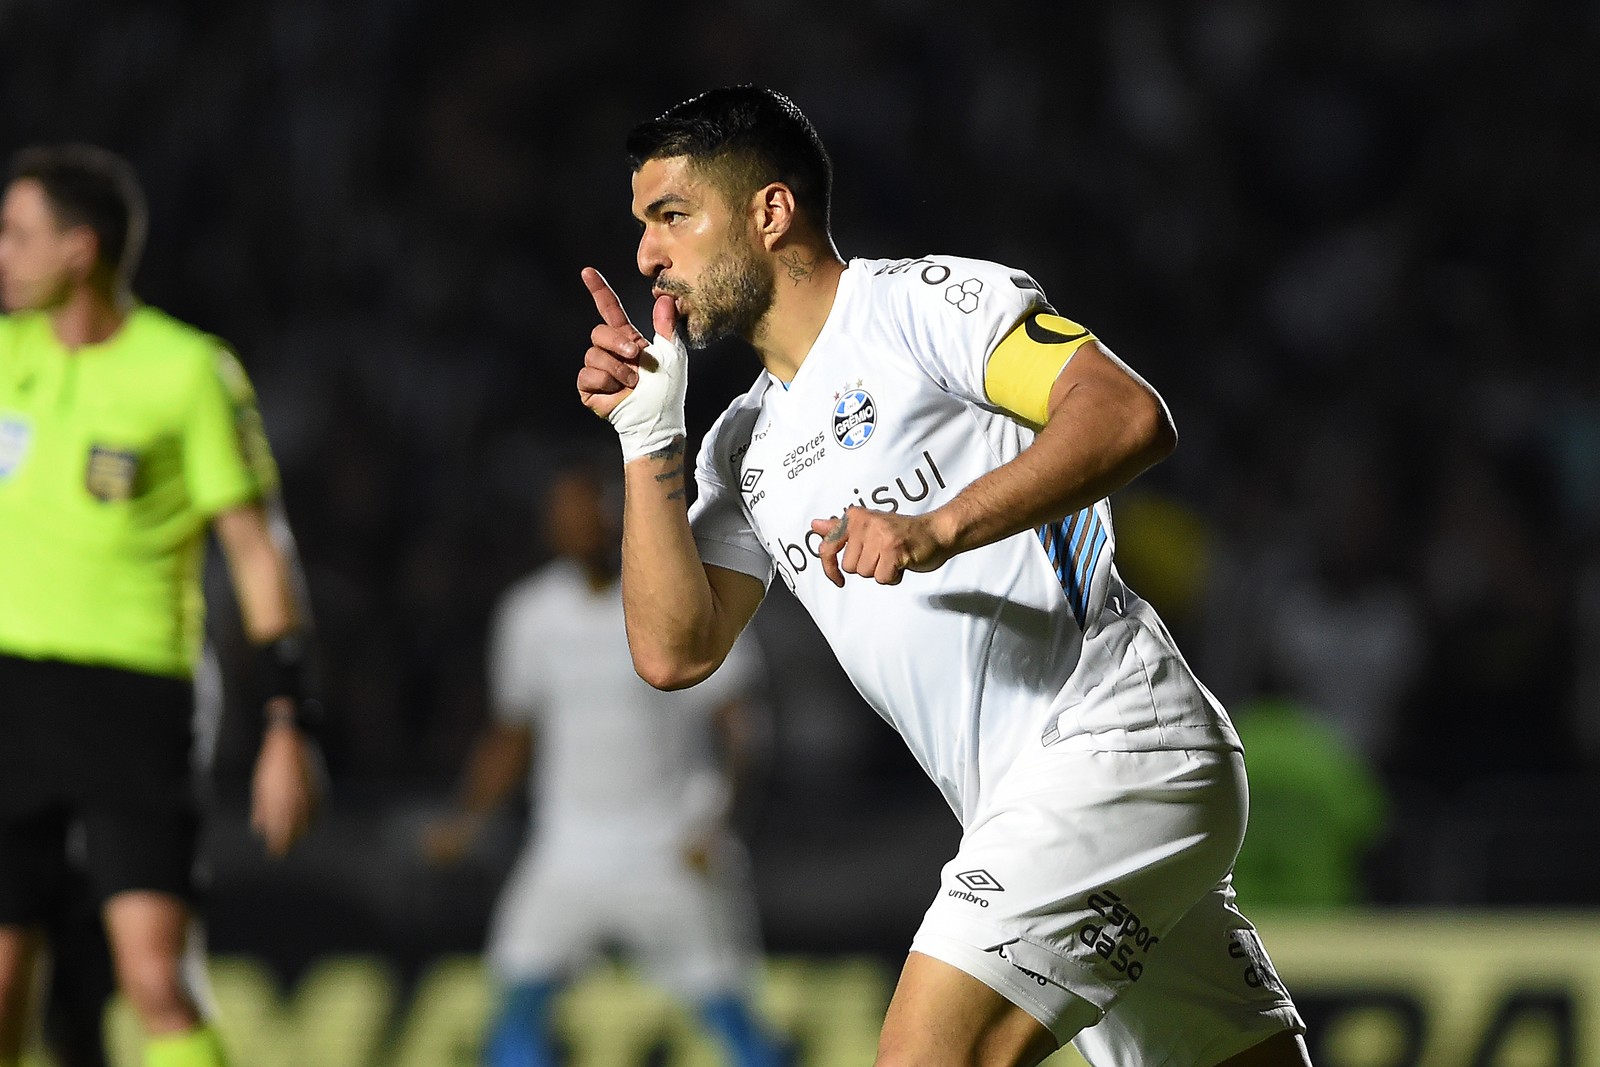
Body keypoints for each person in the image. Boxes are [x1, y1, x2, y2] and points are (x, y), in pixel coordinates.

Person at [575, 86, 1313, 1067]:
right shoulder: (740, 447)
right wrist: (645, 440)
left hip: (1109, 743)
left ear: (769, 211)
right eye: (641, 226)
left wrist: (939, 526)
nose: (646, 256)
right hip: (1040, 797)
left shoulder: (922, 305)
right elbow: (675, 647)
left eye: (671, 216)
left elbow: (1124, 413)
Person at [0, 144, 321, 1067]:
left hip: (131, 701)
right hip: (11, 701)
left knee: (155, 981)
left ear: (79, 249)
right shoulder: (9, 355)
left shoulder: (186, 372)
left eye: (19, 234)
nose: (3, 254)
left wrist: (288, 719)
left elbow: (260, 555)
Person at [424, 462, 786, 1067]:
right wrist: (467, 819)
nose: (579, 526)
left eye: (589, 510)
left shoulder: (678, 591)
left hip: (670, 849)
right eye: (564, 515)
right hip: (567, 851)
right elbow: (513, 735)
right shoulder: (530, 615)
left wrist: (718, 822)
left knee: (732, 1022)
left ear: (617, 513)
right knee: (516, 1010)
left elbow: (743, 732)